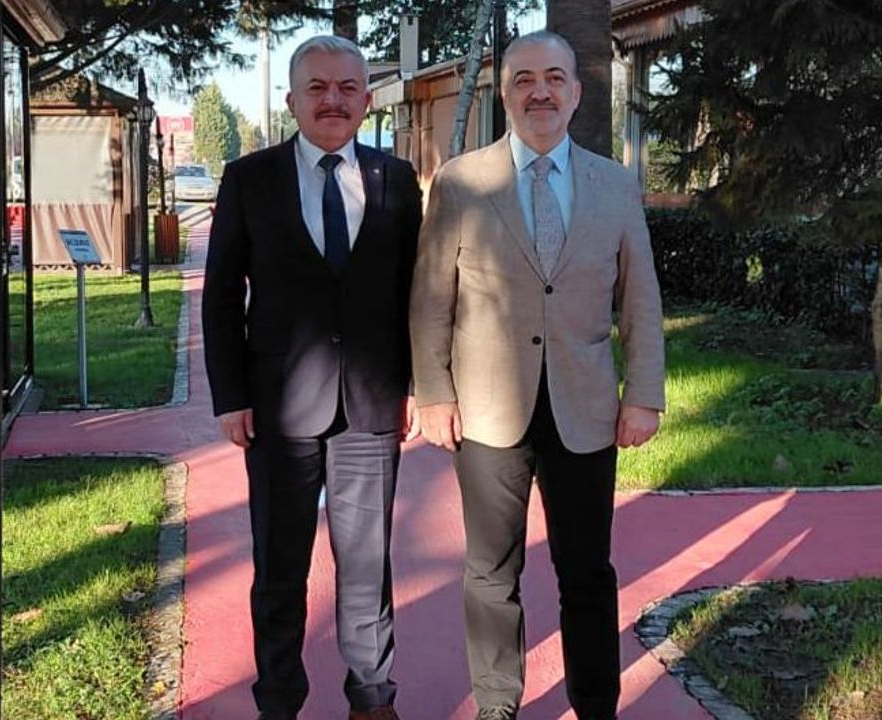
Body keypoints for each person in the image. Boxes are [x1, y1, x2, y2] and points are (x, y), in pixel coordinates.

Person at [409, 30, 666, 720]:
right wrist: (432, 392)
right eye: (523, 79)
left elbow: (640, 298)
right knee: (492, 572)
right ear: (505, 94)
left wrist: (643, 394)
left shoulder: (615, 185)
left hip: (586, 409)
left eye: (554, 78)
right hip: (487, 411)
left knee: (587, 571)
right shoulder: (462, 182)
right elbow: (431, 299)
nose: (540, 92)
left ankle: (595, 703)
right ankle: (498, 703)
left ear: (577, 93)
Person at [202, 34, 421, 720]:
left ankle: (372, 698)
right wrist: (230, 396)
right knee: (279, 570)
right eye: (318, 88)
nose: (333, 100)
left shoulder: (396, 179)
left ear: (366, 99)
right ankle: (278, 701)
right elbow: (220, 295)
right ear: (292, 100)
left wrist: (417, 385)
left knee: (367, 568)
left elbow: (414, 293)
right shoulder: (249, 178)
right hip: (277, 409)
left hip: (371, 408)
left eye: (347, 88)